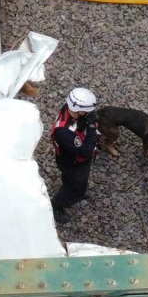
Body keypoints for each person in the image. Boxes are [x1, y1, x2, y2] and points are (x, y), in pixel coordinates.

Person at [49, 87, 98, 222]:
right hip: (74, 163)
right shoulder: (63, 132)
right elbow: (85, 150)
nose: (90, 114)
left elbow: (78, 126)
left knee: (73, 181)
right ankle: (56, 206)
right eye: (87, 112)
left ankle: (77, 190)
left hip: (71, 160)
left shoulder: (69, 110)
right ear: (79, 110)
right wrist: (92, 127)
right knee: (73, 187)